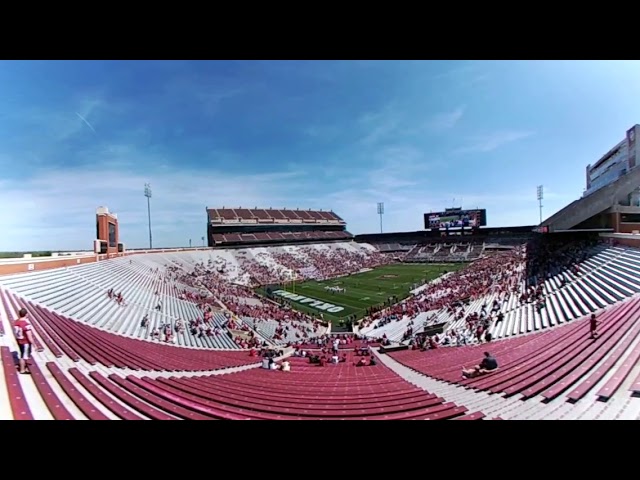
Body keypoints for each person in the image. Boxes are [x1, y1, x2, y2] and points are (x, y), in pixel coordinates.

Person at [13, 308, 35, 375]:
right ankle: (22, 370)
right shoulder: (26, 324)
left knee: (22, 352)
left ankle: (21, 365)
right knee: (24, 356)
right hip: (25, 341)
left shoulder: (16, 321)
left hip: (19, 340)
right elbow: (29, 335)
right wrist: (34, 345)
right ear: (26, 314)